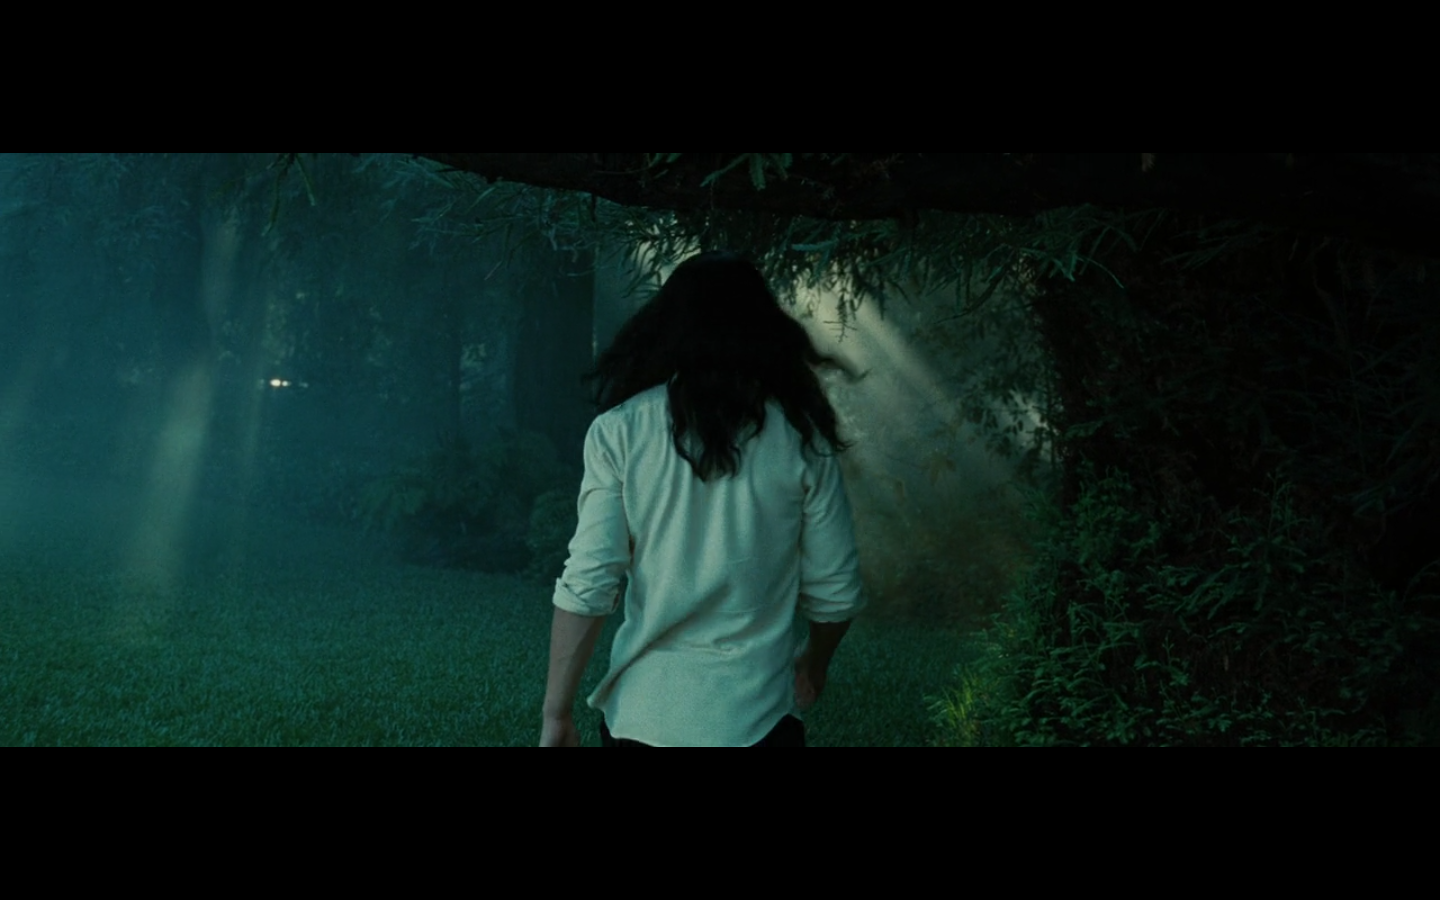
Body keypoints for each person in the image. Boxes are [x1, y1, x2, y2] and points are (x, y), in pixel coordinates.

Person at [539, 250, 865, 747]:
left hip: (642, 719)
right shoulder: (803, 441)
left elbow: (587, 584)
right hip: (760, 723)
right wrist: (812, 664)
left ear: (667, 328)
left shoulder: (619, 432)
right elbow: (836, 595)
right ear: (765, 332)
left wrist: (556, 714)